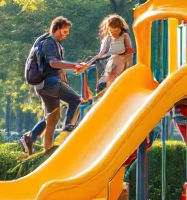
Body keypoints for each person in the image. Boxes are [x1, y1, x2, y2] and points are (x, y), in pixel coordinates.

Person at [20, 17, 91, 154]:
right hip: (49, 83)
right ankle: (68, 128)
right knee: (76, 100)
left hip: (42, 86)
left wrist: (66, 82)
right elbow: (53, 63)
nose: (66, 34)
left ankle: (32, 138)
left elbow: (59, 69)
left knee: (52, 117)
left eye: (67, 32)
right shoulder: (49, 43)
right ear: (56, 29)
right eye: (64, 31)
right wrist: (74, 65)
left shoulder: (47, 42)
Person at [96, 14, 134, 93]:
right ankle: (109, 90)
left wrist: (121, 55)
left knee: (116, 64)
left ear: (121, 28)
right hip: (113, 60)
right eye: (111, 31)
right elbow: (102, 52)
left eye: (116, 30)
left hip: (124, 59)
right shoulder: (108, 38)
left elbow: (129, 50)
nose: (114, 33)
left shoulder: (124, 36)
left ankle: (113, 88)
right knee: (111, 72)